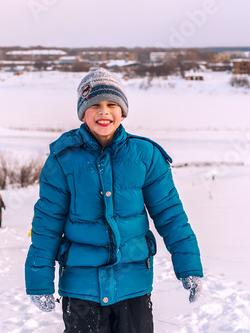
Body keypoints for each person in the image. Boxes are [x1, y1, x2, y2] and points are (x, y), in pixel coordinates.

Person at [24, 68, 203, 332]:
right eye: (94, 104)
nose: (104, 111)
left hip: (132, 284)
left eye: (111, 104)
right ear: (83, 113)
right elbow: (47, 223)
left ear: (123, 111)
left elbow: (170, 214)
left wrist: (189, 266)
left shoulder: (146, 155)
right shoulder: (62, 160)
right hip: (80, 287)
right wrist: (39, 281)